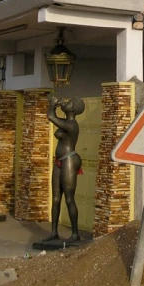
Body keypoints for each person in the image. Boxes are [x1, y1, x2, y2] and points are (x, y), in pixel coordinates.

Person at [44, 93, 85, 243]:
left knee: (68, 198)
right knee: (55, 198)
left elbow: (50, 117)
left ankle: (75, 234)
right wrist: (54, 105)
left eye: (69, 102)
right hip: (60, 161)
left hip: (69, 159)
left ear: (73, 108)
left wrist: (53, 105)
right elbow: (54, 119)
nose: (66, 102)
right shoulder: (65, 122)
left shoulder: (72, 125)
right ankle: (54, 232)